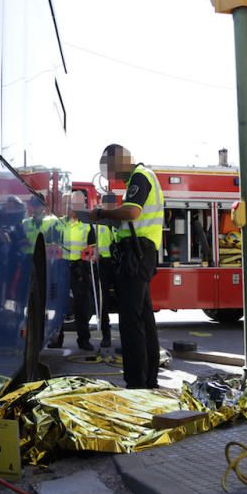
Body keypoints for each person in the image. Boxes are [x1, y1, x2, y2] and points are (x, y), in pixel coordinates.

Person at [90, 144, 164, 389]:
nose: (110, 177)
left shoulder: (139, 177)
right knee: (143, 317)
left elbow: (132, 212)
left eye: (109, 170)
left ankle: (135, 382)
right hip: (141, 252)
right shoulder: (143, 177)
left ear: (119, 160)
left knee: (130, 320)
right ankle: (148, 379)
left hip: (137, 253)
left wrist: (100, 213)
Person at [49, 191, 95, 351]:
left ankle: (84, 340)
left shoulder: (87, 225)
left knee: (82, 306)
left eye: (74, 205)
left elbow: (93, 247)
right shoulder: (58, 223)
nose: (70, 208)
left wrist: (91, 253)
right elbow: (51, 243)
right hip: (61, 267)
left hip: (79, 268)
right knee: (58, 304)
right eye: (67, 204)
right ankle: (56, 338)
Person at [94, 193, 119, 348]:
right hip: (103, 263)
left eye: (110, 205)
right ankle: (106, 335)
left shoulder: (119, 220)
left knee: (123, 299)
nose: (107, 207)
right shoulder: (99, 222)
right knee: (103, 300)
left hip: (117, 263)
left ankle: (126, 333)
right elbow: (94, 241)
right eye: (105, 205)